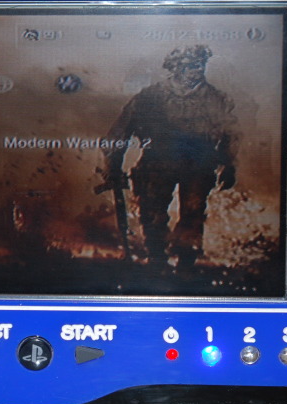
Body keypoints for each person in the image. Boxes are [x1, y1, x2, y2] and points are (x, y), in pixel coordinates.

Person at [101, 45, 239, 269]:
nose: (198, 70)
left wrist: (229, 164)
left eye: (200, 65)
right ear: (175, 68)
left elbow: (230, 134)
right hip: (157, 163)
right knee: (152, 212)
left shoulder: (217, 99)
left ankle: (186, 263)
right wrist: (113, 166)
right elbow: (119, 133)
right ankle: (157, 260)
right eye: (191, 66)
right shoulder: (149, 97)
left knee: (193, 213)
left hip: (198, 165)